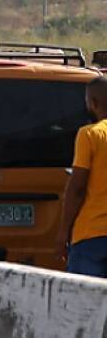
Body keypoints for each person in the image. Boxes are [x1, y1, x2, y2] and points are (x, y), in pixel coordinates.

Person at [58, 75, 107, 277]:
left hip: (91, 236)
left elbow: (77, 189)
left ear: (93, 103)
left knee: (83, 295)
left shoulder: (89, 135)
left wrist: (63, 232)